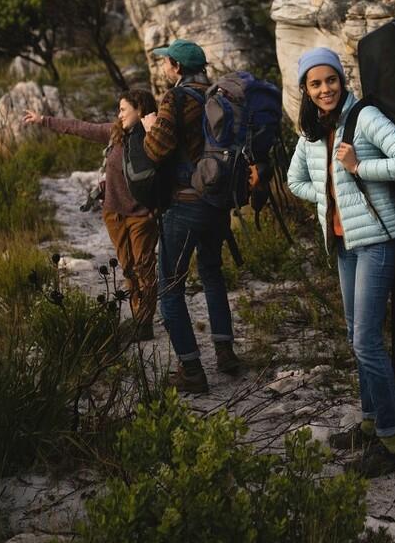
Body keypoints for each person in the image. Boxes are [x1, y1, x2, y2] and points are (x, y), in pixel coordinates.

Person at [286, 47, 395, 478]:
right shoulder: (311, 131)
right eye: (315, 83)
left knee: (366, 340)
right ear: (306, 91)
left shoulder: (364, 117)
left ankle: (390, 435)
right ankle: (369, 420)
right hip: (345, 244)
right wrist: (326, 201)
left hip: (379, 240)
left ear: (342, 80)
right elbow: (294, 181)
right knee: (354, 335)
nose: (325, 89)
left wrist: (360, 166)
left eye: (330, 80)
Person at [140, 38, 239, 394]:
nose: (164, 67)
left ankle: (192, 369)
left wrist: (150, 125)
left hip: (184, 203)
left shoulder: (176, 98)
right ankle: (225, 351)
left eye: (166, 62)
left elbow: (157, 150)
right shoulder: (219, 95)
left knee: (170, 288)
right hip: (217, 203)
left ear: (177, 67)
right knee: (212, 275)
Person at [23, 89, 160, 340]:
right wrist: (44, 120)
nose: (119, 115)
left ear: (140, 110)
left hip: (142, 215)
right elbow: (80, 127)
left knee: (145, 268)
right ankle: (137, 313)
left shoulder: (155, 137)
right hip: (114, 213)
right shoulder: (115, 133)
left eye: (123, 110)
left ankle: (144, 322)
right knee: (127, 267)